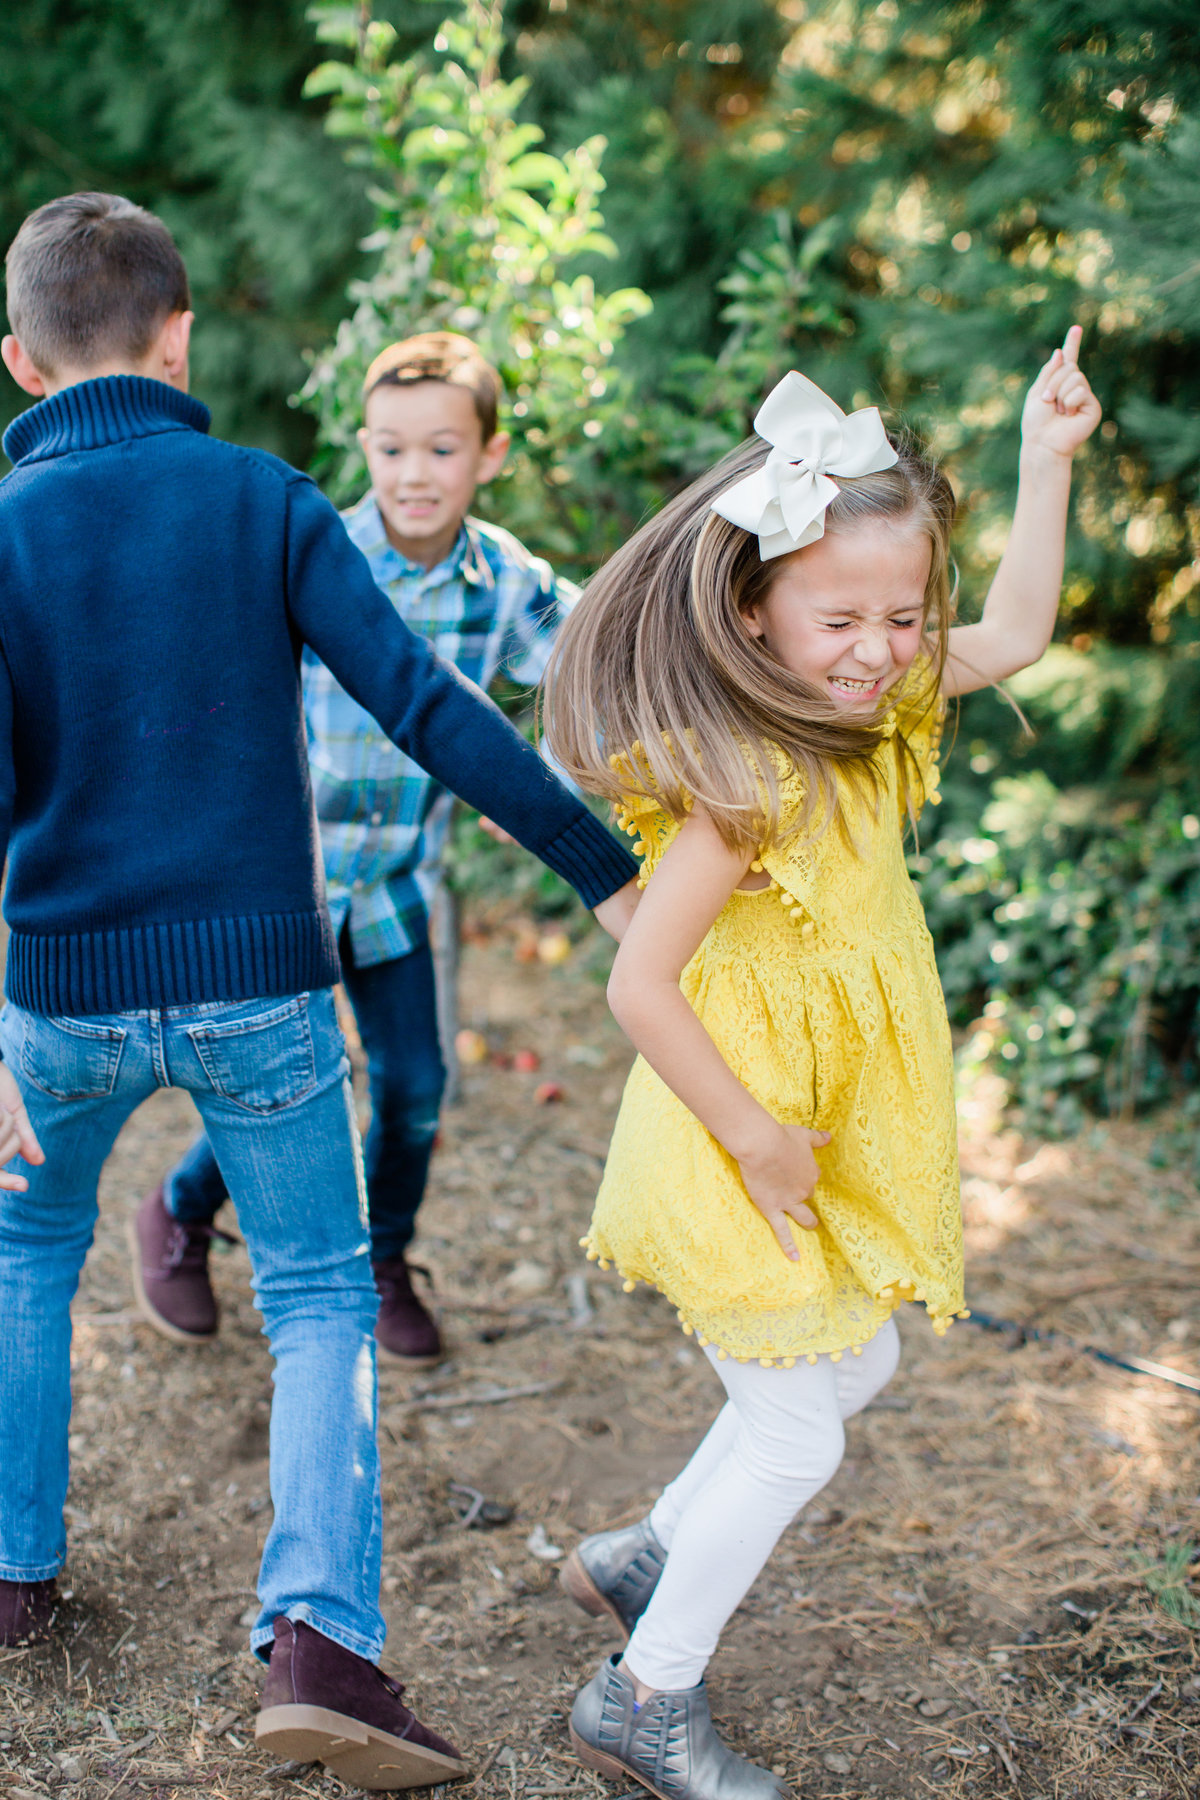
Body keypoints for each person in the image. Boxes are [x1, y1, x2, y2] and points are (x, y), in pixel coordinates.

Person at [0, 191, 638, 1790]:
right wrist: (608, 872)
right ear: (182, 336)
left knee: (21, 1255)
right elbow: (428, 704)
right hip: (261, 989)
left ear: (19, 363)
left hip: (52, 992)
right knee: (319, 1294)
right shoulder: (265, 500)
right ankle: (321, 1646)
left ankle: (13, 1579)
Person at [541, 335, 1100, 1798]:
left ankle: (653, 1549)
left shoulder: (884, 715)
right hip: (732, 1132)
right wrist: (753, 1137)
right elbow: (639, 982)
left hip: (803, 1124)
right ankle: (643, 1699)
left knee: (860, 1360)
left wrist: (1046, 459)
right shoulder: (748, 777)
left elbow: (1027, 627)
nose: (877, 647)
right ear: (754, 610)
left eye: (904, 617)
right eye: (839, 615)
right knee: (799, 1437)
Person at [134, 330, 578, 1367]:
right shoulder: (312, 553)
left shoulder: (501, 580)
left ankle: (384, 1262)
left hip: (391, 889)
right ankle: (179, 1209)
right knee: (291, 1081)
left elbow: (585, 664)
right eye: (390, 450)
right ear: (364, 449)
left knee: (415, 1086)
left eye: (441, 451)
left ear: (491, 455)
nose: (413, 476)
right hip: (282, 884)